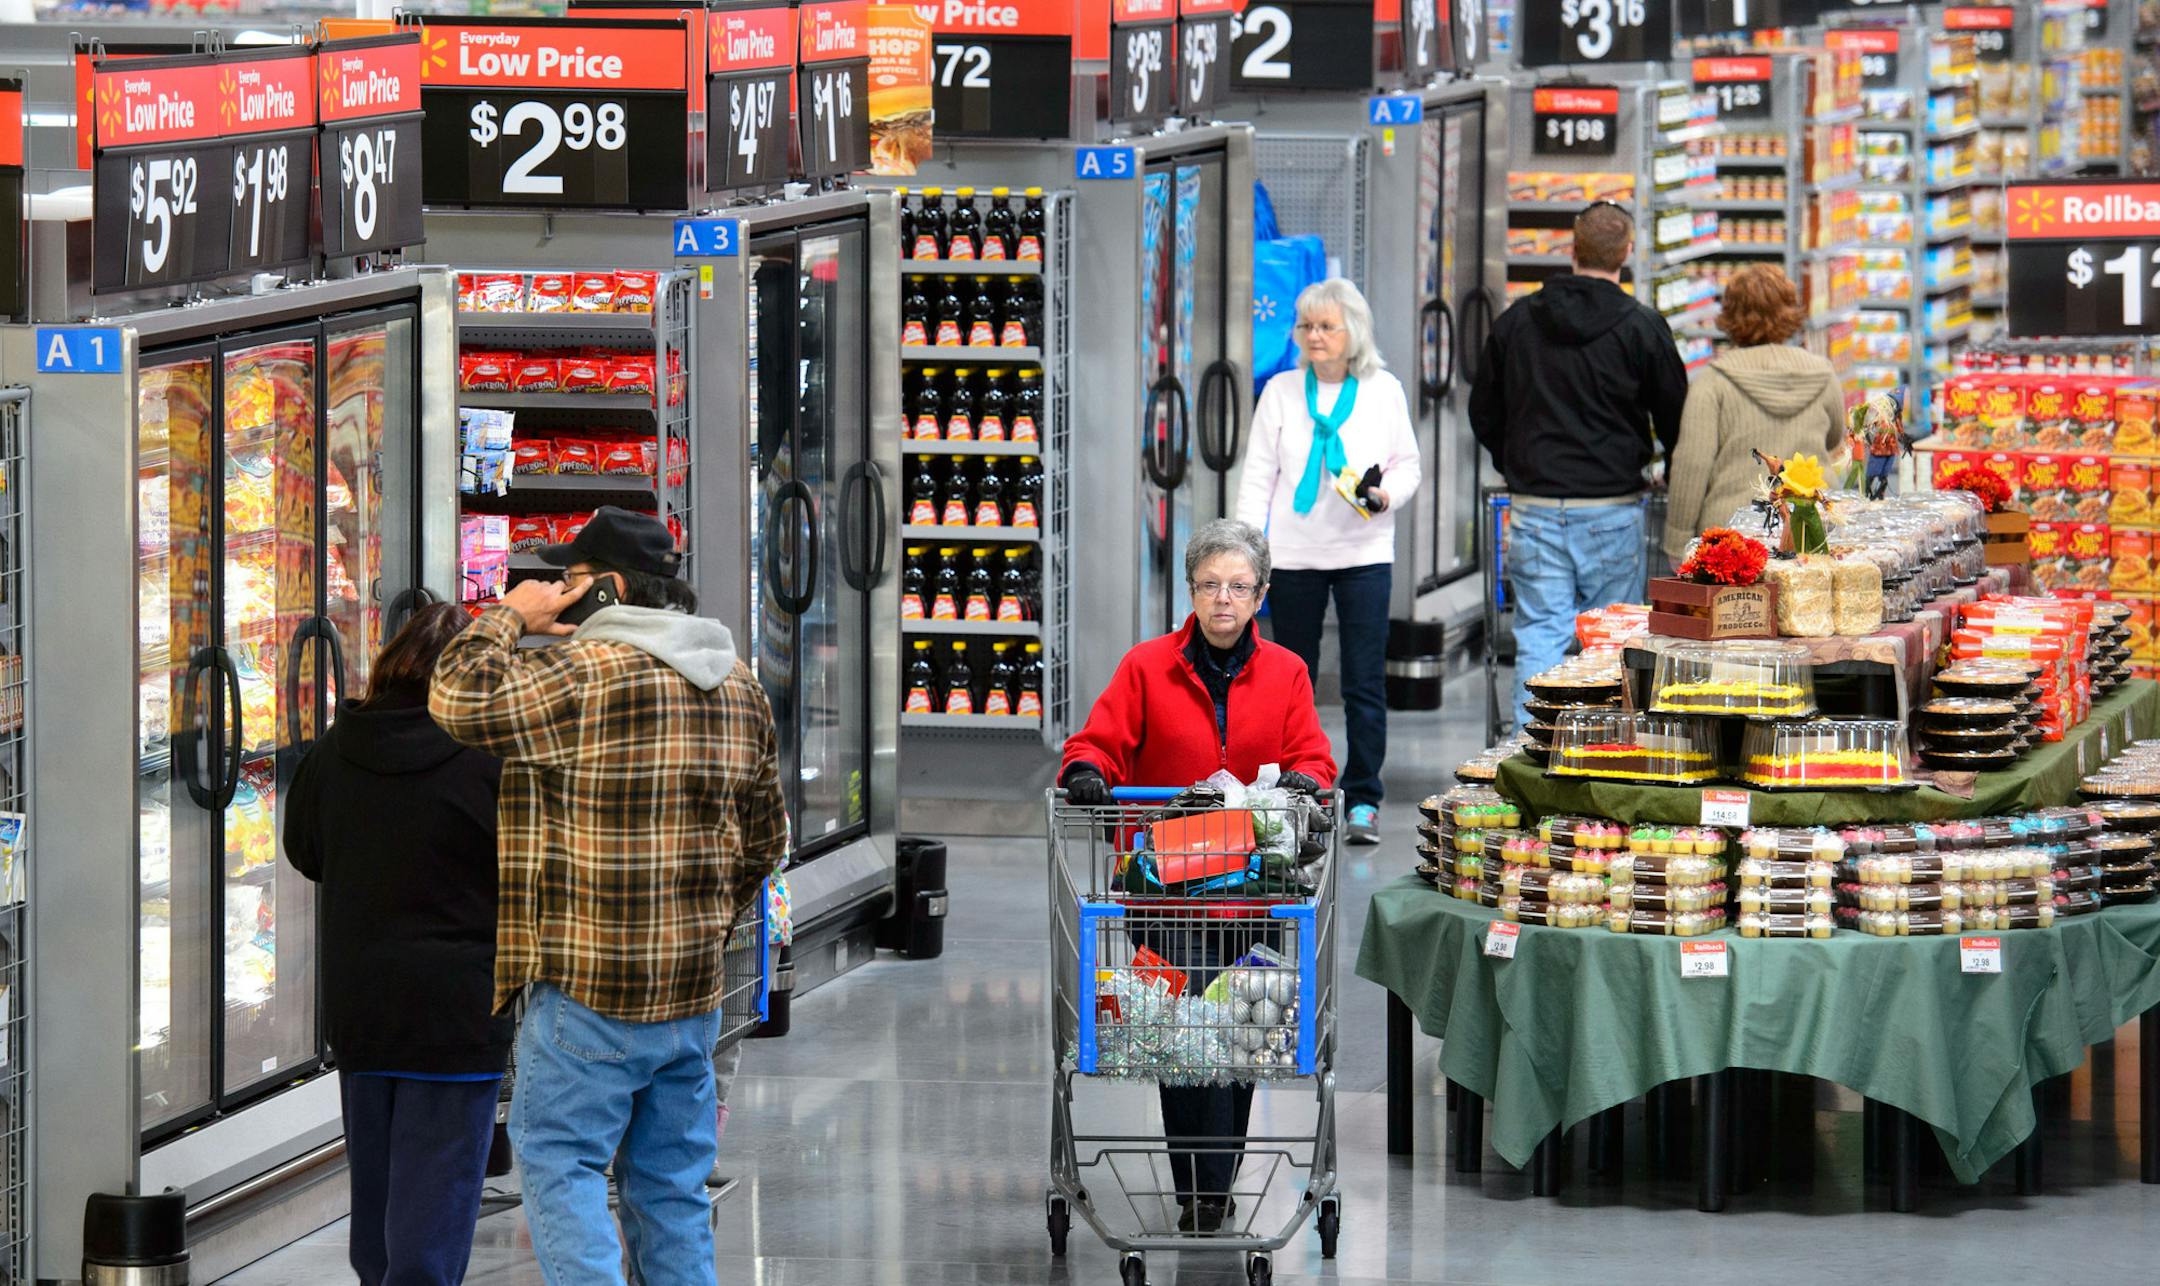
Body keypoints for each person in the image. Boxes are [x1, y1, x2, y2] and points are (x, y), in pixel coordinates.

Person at [429, 506, 790, 1286]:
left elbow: (456, 696)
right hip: (691, 995)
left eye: (572, 579)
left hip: (589, 993)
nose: (558, 590)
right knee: (670, 1187)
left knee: (561, 1164)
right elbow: (765, 841)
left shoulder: (582, 678)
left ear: (611, 589)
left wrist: (506, 615)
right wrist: (695, 924)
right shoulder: (740, 685)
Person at [1059, 519, 1337, 1234]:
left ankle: (1212, 1188)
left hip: (1253, 891)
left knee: (1240, 1038)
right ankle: (1198, 1191)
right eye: (1210, 585)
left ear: (1261, 595)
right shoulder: (1146, 667)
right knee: (1182, 1039)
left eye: (1238, 587)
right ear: (1190, 591)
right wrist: (1089, 770)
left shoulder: (1287, 673)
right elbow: (1098, 739)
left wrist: (1305, 780)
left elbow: (1313, 755)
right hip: (1166, 894)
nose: (1223, 599)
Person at [283, 603, 509, 1286]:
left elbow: (304, 849)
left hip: (363, 1011)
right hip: (456, 1014)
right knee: (431, 1227)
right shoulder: (488, 762)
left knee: (376, 1214)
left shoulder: (332, 752)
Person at [1468, 200, 1690, 731]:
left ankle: (1532, 755)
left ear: (1571, 249)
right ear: (1628, 254)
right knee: (1610, 637)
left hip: (1534, 506)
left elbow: (1483, 410)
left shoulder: (1517, 321)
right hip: (1612, 508)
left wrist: (1514, 462)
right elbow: (1676, 412)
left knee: (1539, 633)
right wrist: (1668, 467)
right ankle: (1599, 754)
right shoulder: (1642, 327)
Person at [1236, 278, 1420, 847]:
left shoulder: (1383, 390)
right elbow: (1257, 476)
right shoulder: (1282, 392)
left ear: (1352, 333)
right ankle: (1298, 794)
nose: (1314, 337)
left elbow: (1407, 465)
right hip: (1291, 557)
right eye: (1306, 327)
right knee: (1292, 681)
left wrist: (1385, 495)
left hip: (1364, 553)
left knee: (1365, 681)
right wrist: (1246, 550)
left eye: (1325, 327)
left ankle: (1363, 798)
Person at [1662, 264, 1849, 555]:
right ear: (1790, 310)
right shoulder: (1822, 374)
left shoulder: (1713, 381)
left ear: (1729, 315)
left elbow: (1691, 465)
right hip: (1811, 526)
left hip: (1732, 535)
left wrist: (1677, 543)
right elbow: (1835, 438)